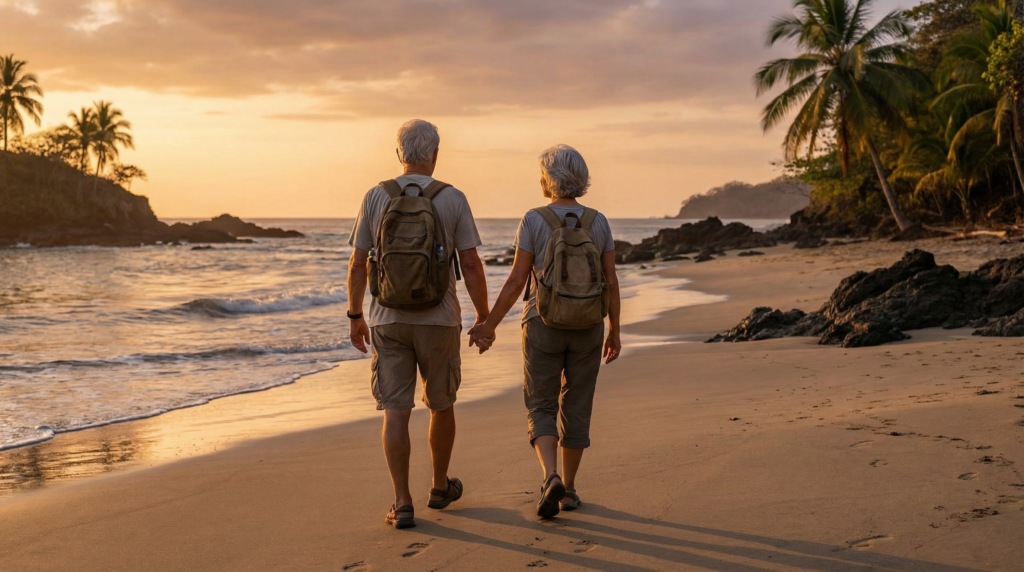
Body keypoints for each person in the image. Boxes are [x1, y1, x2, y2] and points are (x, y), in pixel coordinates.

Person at [346, 119, 489, 529]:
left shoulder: (376, 196)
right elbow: (472, 264)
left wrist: (356, 315)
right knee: (441, 404)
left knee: (396, 410)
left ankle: (402, 501)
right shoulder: (452, 198)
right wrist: (483, 317)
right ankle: (440, 486)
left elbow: (358, 263)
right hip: (439, 320)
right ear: (436, 154)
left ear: (399, 154)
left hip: (387, 320)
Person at [469, 144, 621, 519]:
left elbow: (517, 279)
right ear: (581, 178)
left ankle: (549, 475)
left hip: (542, 323)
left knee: (541, 403)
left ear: (546, 178)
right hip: (588, 326)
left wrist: (489, 325)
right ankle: (568, 490)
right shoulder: (598, 221)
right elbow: (611, 281)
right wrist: (614, 329)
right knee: (577, 403)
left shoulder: (534, 220)